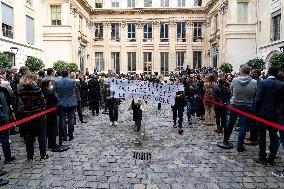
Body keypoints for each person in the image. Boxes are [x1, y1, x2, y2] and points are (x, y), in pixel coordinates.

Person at [222, 65, 257, 152]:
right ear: (249, 72)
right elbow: (255, 93)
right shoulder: (254, 82)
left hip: (235, 104)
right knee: (243, 126)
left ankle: (226, 140)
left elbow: (231, 91)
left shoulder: (235, 80)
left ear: (241, 71)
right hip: (247, 105)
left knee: (230, 123)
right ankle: (239, 145)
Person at [253, 66, 283, 165]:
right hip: (275, 115)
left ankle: (262, 156)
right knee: (273, 136)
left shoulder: (263, 83)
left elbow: (258, 99)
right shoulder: (281, 84)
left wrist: (255, 111)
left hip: (262, 113)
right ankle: (272, 158)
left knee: (262, 136)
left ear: (269, 72)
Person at [18, 73, 48, 162]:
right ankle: (43, 155)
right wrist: (41, 108)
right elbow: (43, 102)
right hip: (38, 114)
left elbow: (22, 103)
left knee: (29, 136)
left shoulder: (21, 90)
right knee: (41, 135)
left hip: (27, 114)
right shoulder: (37, 89)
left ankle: (30, 157)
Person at [54, 70, 77, 141]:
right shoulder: (72, 81)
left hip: (61, 102)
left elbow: (56, 92)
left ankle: (64, 136)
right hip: (71, 102)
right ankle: (70, 135)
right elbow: (73, 90)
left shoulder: (57, 82)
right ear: (68, 74)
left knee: (63, 119)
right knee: (71, 119)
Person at [41, 80, 58, 149]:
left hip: (45, 112)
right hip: (51, 111)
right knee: (52, 128)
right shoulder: (49, 92)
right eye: (50, 84)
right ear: (47, 85)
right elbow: (56, 100)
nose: (51, 85)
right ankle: (52, 144)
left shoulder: (42, 92)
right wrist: (53, 91)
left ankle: (47, 143)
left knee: (47, 128)